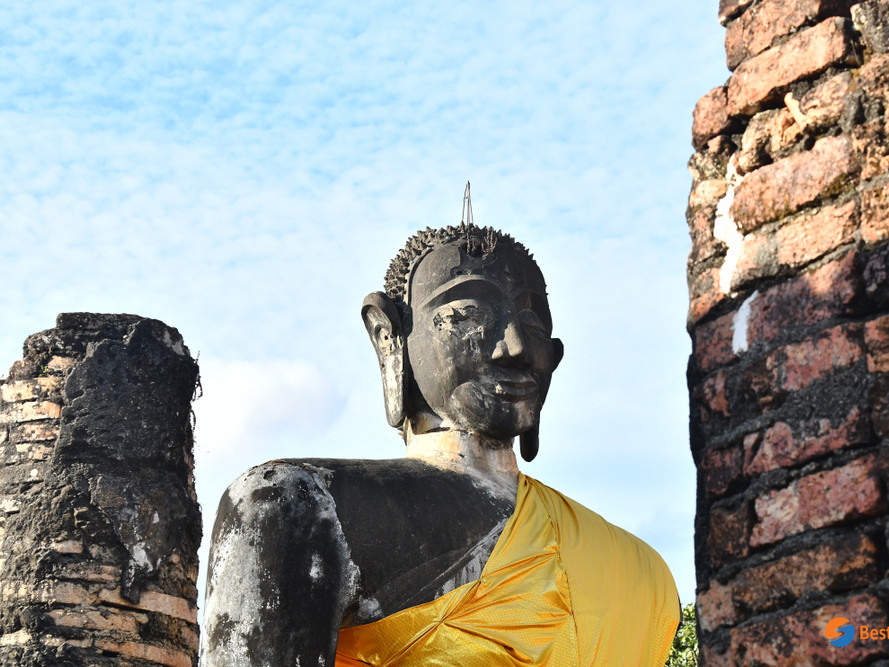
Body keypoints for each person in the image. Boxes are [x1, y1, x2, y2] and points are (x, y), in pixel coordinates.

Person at [201, 222, 680, 666]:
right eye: (469, 313)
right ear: (389, 340)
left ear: (551, 358)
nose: (514, 346)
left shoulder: (642, 575)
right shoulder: (298, 507)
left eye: (533, 327)